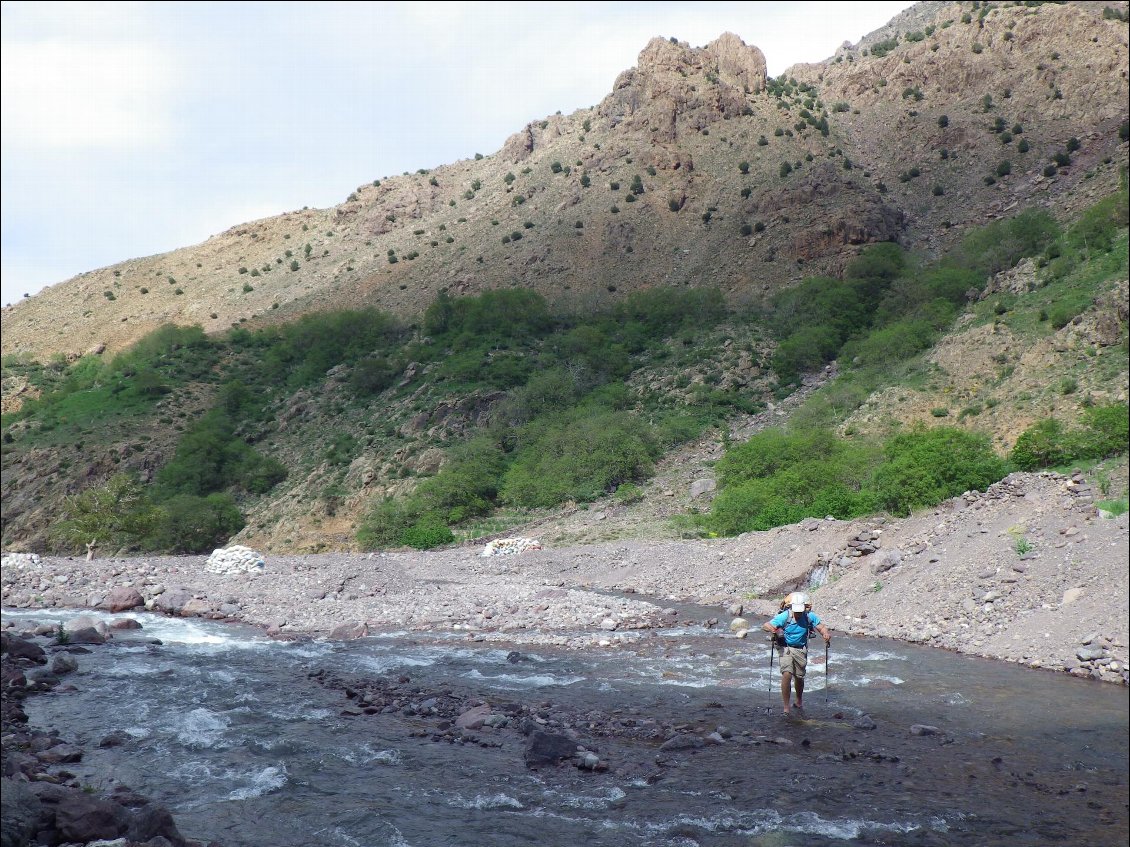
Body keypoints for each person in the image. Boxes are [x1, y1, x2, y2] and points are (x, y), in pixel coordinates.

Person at [761, 591, 831, 716]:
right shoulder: (784, 616)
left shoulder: (809, 616)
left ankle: (798, 701)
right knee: (787, 673)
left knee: (799, 677)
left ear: (804, 608)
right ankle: (786, 707)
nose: (798, 613)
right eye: (796, 610)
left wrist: (825, 633)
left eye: (800, 610)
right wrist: (773, 629)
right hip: (785, 646)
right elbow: (765, 625)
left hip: (800, 648)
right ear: (792, 607)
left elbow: (821, 627)